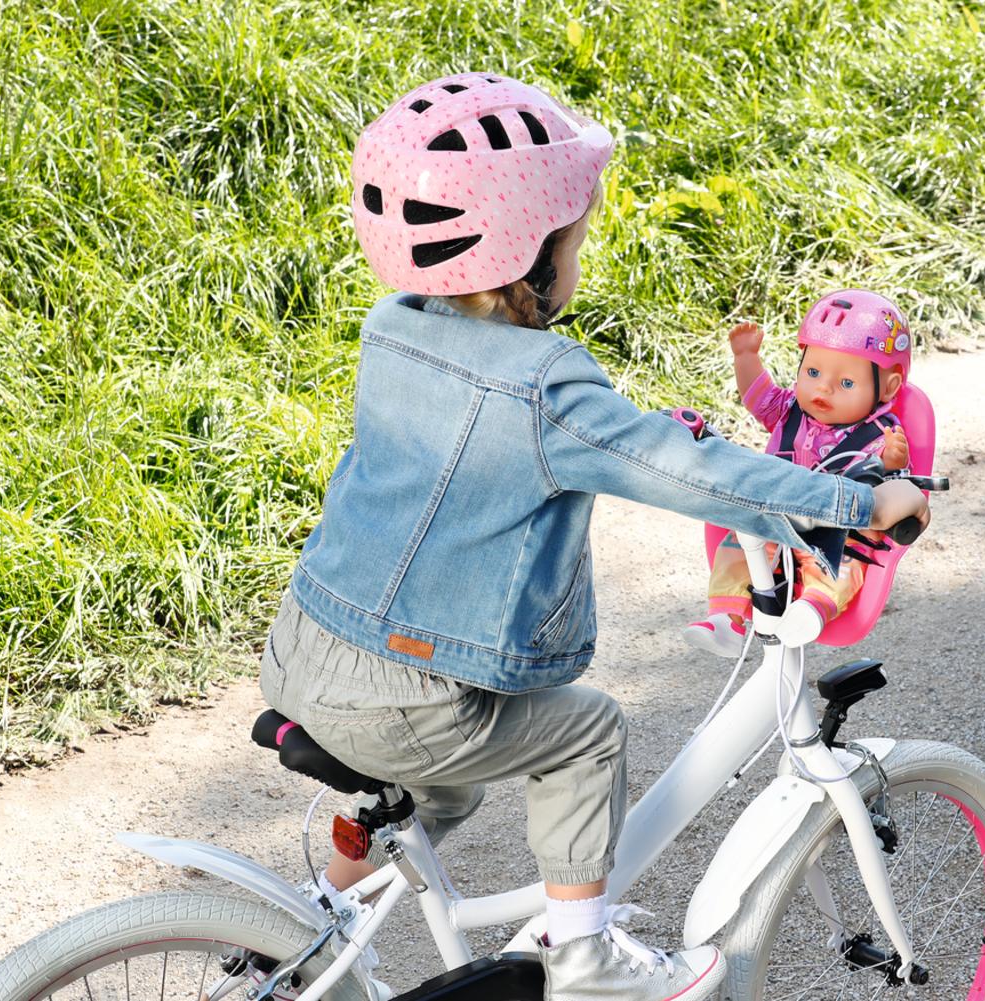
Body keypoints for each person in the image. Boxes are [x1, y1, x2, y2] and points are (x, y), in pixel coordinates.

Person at [258, 72, 930, 999]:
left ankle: (315, 916)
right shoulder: (547, 386)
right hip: (408, 697)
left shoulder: (394, 326)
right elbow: (691, 473)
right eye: (574, 239)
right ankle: (584, 957)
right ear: (530, 255)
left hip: (304, 649)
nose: (579, 254)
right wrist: (858, 503)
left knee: (442, 790)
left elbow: (510, 432)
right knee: (588, 733)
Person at [684, 290, 921, 659]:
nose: (823, 387)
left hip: (836, 529)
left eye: (846, 383)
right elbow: (757, 396)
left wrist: (892, 462)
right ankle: (726, 617)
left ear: (887, 387)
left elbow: (892, 492)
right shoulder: (789, 410)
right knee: (738, 545)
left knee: (843, 563)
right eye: (812, 372)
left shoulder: (881, 434)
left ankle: (814, 607)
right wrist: (746, 358)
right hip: (775, 517)